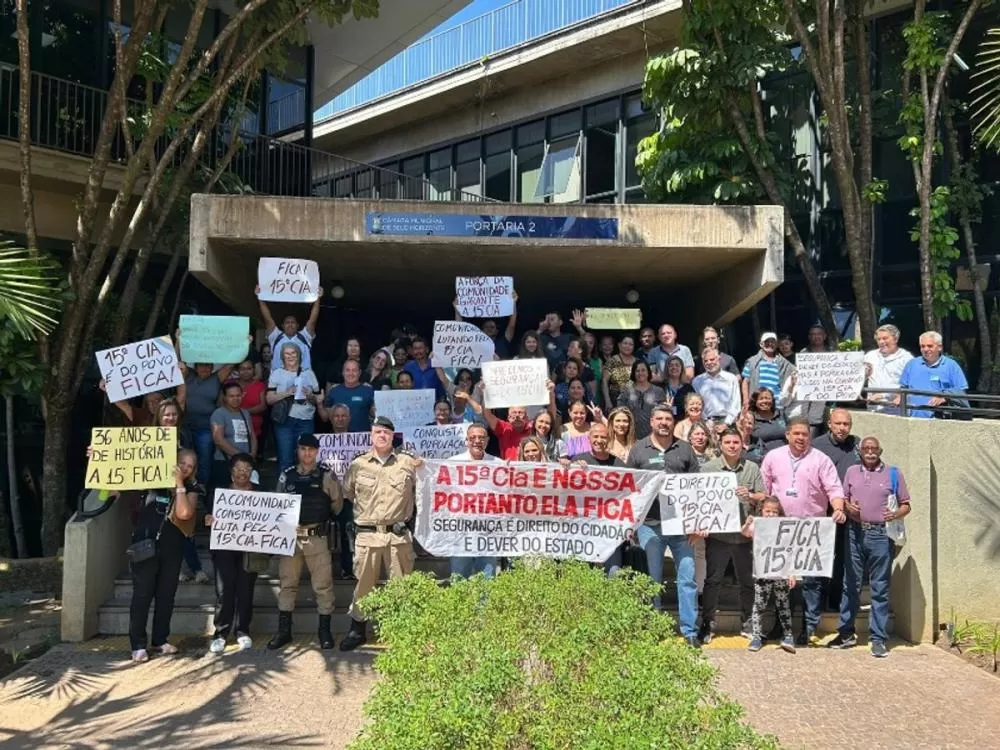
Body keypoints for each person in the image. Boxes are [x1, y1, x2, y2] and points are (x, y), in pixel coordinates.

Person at [760, 417, 847, 645]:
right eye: (796, 433)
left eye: (805, 434)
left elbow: (834, 488)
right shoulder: (773, 457)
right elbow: (765, 490)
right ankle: (781, 625)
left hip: (811, 530)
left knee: (811, 582)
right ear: (787, 435)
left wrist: (838, 508)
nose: (801, 438)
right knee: (780, 581)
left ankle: (809, 627)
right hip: (781, 529)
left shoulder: (821, 460)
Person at [340, 417, 421, 651]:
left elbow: (423, 490)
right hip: (367, 535)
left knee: (401, 586)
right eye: (378, 432)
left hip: (397, 535)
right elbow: (348, 494)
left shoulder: (407, 463)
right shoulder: (358, 465)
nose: (382, 436)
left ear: (393, 436)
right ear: (371, 435)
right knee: (364, 585)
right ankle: (357, 630)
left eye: (386, 432)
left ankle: (402, 633)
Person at [625, 405, 701, 648]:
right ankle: (654, 628)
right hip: (649, 525)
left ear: (673, 422)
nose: (664, 423)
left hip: (681, 527)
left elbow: (698, 489)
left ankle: (689, 631)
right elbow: (629, 489)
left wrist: (697, 523)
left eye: (668, 419)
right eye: (659, 418)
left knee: (688, 578)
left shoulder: (685, 449)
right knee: (652, 580)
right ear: (652, 422)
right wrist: (632, 524)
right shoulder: (638, 450)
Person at [828, 436, 909, 658]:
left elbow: (906, 505)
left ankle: (878, 638)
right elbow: (843, 498)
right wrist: (847, 505)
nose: (870, 452)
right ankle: (846, 633)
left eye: (874, 449)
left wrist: (895, 514)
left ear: (880, 450)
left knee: (879, 588)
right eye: (866, 448)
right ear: (860, 451)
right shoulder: (852, 472)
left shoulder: (893, 473)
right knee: (850, 584)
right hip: (854, 532)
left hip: (881, 534)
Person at [267, 434, 341, 651]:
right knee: (287, 584)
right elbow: (277, 504)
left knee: (323, 586)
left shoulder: (327, 475)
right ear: (297, 450)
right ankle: (284, 631)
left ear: (317, 451)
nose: (307, 453)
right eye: (303, 449)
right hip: (290, 538)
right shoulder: (286, 476)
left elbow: (336, 505)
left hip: (316, 537)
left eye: (311, 449)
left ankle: (324, 631)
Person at [128, 449, 201, 662]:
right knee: (142, 595)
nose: (185, 467)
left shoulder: (192, 488)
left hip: (172, 546)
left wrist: (179, 484)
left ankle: (160, 640)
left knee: (166, 595)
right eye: (182, 462)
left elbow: (184, 513)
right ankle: (137, 644)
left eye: (190, 465)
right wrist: (99, 458)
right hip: (145, 542)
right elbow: (121, 475)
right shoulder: (152, 477)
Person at [697, 428, 767, 644]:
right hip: (718, 536)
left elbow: (764, 496)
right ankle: (707, 624)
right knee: (713, 581)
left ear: (742, 444)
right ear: (720, 444)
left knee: (747, 581)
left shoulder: (752, 468)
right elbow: (699, 500)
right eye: (728, 442)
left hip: (745, 536)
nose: (732, 446)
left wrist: (752, 495)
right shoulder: (708, 469)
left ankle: (747, 623)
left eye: (736, 442)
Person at [205, 453, 260, 654]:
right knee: (224, 590)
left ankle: (243, 630)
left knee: (246, 589)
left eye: (246, 469)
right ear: (231, 472)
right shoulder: (218, 494)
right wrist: (208, 519)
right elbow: (207, 516)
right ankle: (220, 633)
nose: (242, 473)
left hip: (250, 548)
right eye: (238, 468)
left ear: (252, 472)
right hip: (224, 548)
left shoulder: (260, 494)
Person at [742, 496, 798, 653]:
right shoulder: (757, 524)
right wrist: (748, 523)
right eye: (768, 511)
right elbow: (745, 533)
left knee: (783, 604)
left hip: (781, 573)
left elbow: (791, 550)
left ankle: (788, 635)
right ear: (762, 510)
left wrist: (792, 573)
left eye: (775, 511)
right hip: (762, 572)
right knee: (759, 605)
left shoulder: (785, 527)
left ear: (779, 513)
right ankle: (757, 636)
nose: (771, 514)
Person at [448, 424, 500, 578]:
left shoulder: (498, 464)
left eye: (481, 437)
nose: (477, 441)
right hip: (460, 528)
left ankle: (484, 604)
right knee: (459, 575)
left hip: (487, 529)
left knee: (487, 576)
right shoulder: (452, 463)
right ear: (467, 441)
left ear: (487, 441)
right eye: (473, 437)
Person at [465, 381, 557, 460]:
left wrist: (551, 394)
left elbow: (550, 417)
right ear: (508, 417)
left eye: (520, 413)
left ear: (527, 417)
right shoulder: (503, 428)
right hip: (509, 473)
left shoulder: (533, 427)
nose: (517, 416)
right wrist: (486, 393)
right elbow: (487, 414)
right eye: (514, 413)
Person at [267, 342, 322, 470]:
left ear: (299, 355)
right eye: (287, 353)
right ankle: (284, 488)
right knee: (285, 458)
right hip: (285, 420)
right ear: (282, 356)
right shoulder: (277, 373)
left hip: (306, 420)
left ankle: (303, 488)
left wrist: (310, 396)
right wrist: (288, 392)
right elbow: (269, 399)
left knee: (304, 458)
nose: (290, 356)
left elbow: (318, 400)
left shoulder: (309, 373)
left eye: (293, 353)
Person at [897, 330, 969, 418]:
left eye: (930, 346)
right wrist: (899, 397)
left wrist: (944, 398)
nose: (926, 349)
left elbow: (961, 390)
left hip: (940, 420)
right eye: (922, 346)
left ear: (940, 347)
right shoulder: (912, 364)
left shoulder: (951, 365)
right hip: (914, 419)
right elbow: (903, 388)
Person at [256, 283, 322, 373]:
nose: (290, 324)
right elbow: (267, 318)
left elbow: (313, 319)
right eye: (287, 322)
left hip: (302, 382)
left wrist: (318, 298)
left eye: (293, 322)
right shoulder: (275, 336)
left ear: (298, 326)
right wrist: (260, 297)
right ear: (282, 326)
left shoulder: (304, 336)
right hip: (279, 382)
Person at [210, 381, 256, 492]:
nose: (235, 398)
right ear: (225, 397)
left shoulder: (245, 413)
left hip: (245, 464)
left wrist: (252, 456)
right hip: (225, 462)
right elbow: (218, 440)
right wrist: (240, 457)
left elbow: (252, 436)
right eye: (231, 396)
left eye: (238, 395)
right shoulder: (218, 414)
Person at [863, 324, 913, 413]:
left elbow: (912, 383)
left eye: (885, 338)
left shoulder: (906, 358)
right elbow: (860, 377)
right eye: (879, 339)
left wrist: (897, 396)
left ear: (895, 339)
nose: (882, 342)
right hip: (874, 409)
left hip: (897, 410)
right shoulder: (870, 356)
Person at [455, 292, 518, 359]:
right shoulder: (475, 344)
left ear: (497, 331)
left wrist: (513, 303)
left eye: (492, 327)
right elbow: (460, 329)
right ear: (482, 330)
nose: (489, 329)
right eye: (486, 327)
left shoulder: (503, 342)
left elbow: (512, 325)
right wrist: (457, 309)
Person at [693, 348, 741, 434]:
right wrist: (706, 421)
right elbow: (696, 404)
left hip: (729, 422)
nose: (709, 363)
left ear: (719, 359)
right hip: (706, 424)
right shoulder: (697, 381)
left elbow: (736, 403)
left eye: (712, 359)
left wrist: (726, 423)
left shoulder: (731, 378)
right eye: (705, 361)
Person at [741, 332, 794, 409]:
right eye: (767, 342)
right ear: (761, 344)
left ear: (776, 345)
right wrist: (745, 401)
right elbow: (745, 382)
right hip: (757, 405)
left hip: (777, 406)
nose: (770, 344)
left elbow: (796, 373)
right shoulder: (751, 362)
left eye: (772, 342)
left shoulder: (784, 363)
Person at [617, 360, 666, 441]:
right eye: (637, 371)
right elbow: (620, 413)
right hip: (631, 436)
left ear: (648, 372)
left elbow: (663, 414)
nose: (640, 373)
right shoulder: (626, 392)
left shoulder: (659, 391)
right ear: (633, 373)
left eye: (643, 370)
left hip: (654, 436)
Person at [320, 359, 374, 432]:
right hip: (339, 438)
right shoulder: (334, 391)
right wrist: (319, 404)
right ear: (343, 372)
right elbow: (325, 418)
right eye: (347, 370)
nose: (350, 373)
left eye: (354, 370)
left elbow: (375, 414)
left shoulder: (368, 390)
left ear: (359, 373)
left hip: (362, 439)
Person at [236, 359, 267, 459]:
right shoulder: (230, 383)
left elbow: (263, 406)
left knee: (251, 459)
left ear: (254, 370)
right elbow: (221, 403)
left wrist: (241, 412)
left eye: (249, 369)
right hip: (232, 430)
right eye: (242, 369)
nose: (245, 371)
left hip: (254, 429)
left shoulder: (260, 385)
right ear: (238, 370)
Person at [601, 335, 638, 408]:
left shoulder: (638, 362)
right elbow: (604, 381)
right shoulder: (612, 361)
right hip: (615, 400)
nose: (628, 346)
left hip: (634, 400)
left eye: (631, 344)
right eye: (625, 343)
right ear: (619, 345)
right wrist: (607, 401)